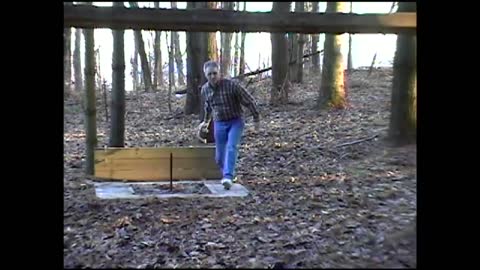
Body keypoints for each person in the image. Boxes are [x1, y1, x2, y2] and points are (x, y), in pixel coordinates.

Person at [199, 60, 260, 190]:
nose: (212, 77)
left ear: (219, 73)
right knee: (219, 157)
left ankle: (228, 176)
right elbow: (208, 107)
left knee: (231, 147)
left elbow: (249, 101)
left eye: (215, 73)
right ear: (206, 75)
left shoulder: (231, 85)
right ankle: (227, 175)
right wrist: (205, 121)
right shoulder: (205, 90)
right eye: (209, 74)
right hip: (219, 122)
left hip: (235, 121)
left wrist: (256, 118)